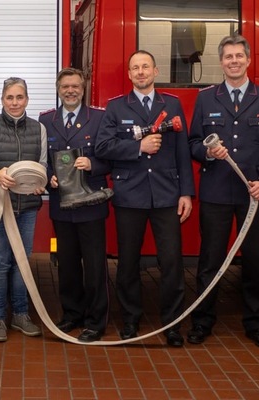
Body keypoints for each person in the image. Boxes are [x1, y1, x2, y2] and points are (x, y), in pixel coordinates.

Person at [186, 35, 259, 349]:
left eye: (238, 56)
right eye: (228, 56)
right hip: (216, 192)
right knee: (210, 260)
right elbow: (192, 143)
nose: (233, 61)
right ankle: (202, 322)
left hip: (253, 195)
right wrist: (206, 153)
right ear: (221, 62)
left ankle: (256, 325)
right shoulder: (206, 98)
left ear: (247, 60)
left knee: (256, 261)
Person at [95, 50, 194, 346]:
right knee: (127, 263)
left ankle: (173, 324)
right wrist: (138, 148)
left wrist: (186, 192)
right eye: (135, 68)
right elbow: (103, 146)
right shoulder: (115, 107)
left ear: (155, 70)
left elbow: (182, 153)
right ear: (128, 74)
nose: (140, 72)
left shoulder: (172, 104)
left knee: (172, 262)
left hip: (166, 194)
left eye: (145, 67)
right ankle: (130, 321)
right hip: (130, 195)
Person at [40, 68, 110, 343]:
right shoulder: (46, 120)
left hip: (91, 204)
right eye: (65, 86)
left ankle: (96, 320)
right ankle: (72, 314)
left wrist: (94, 164)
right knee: (66, 265)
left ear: (84, 89)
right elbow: (40, 159)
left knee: (94, 266)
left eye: (76, 86)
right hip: (61, 206)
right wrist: (48, 177)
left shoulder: (100, 118)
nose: (70, 90)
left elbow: (112, 157)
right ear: (58, 89)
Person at [0, 77, 47, 343]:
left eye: (20, 97)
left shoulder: (38, 128)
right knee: (0, 263)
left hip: (27, 207)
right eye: (10, 97)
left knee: (21, 261)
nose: (15, 103)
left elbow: (42, 164)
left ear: (26, 99)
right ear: (2, 99)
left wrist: (40, 184)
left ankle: (20, 315)